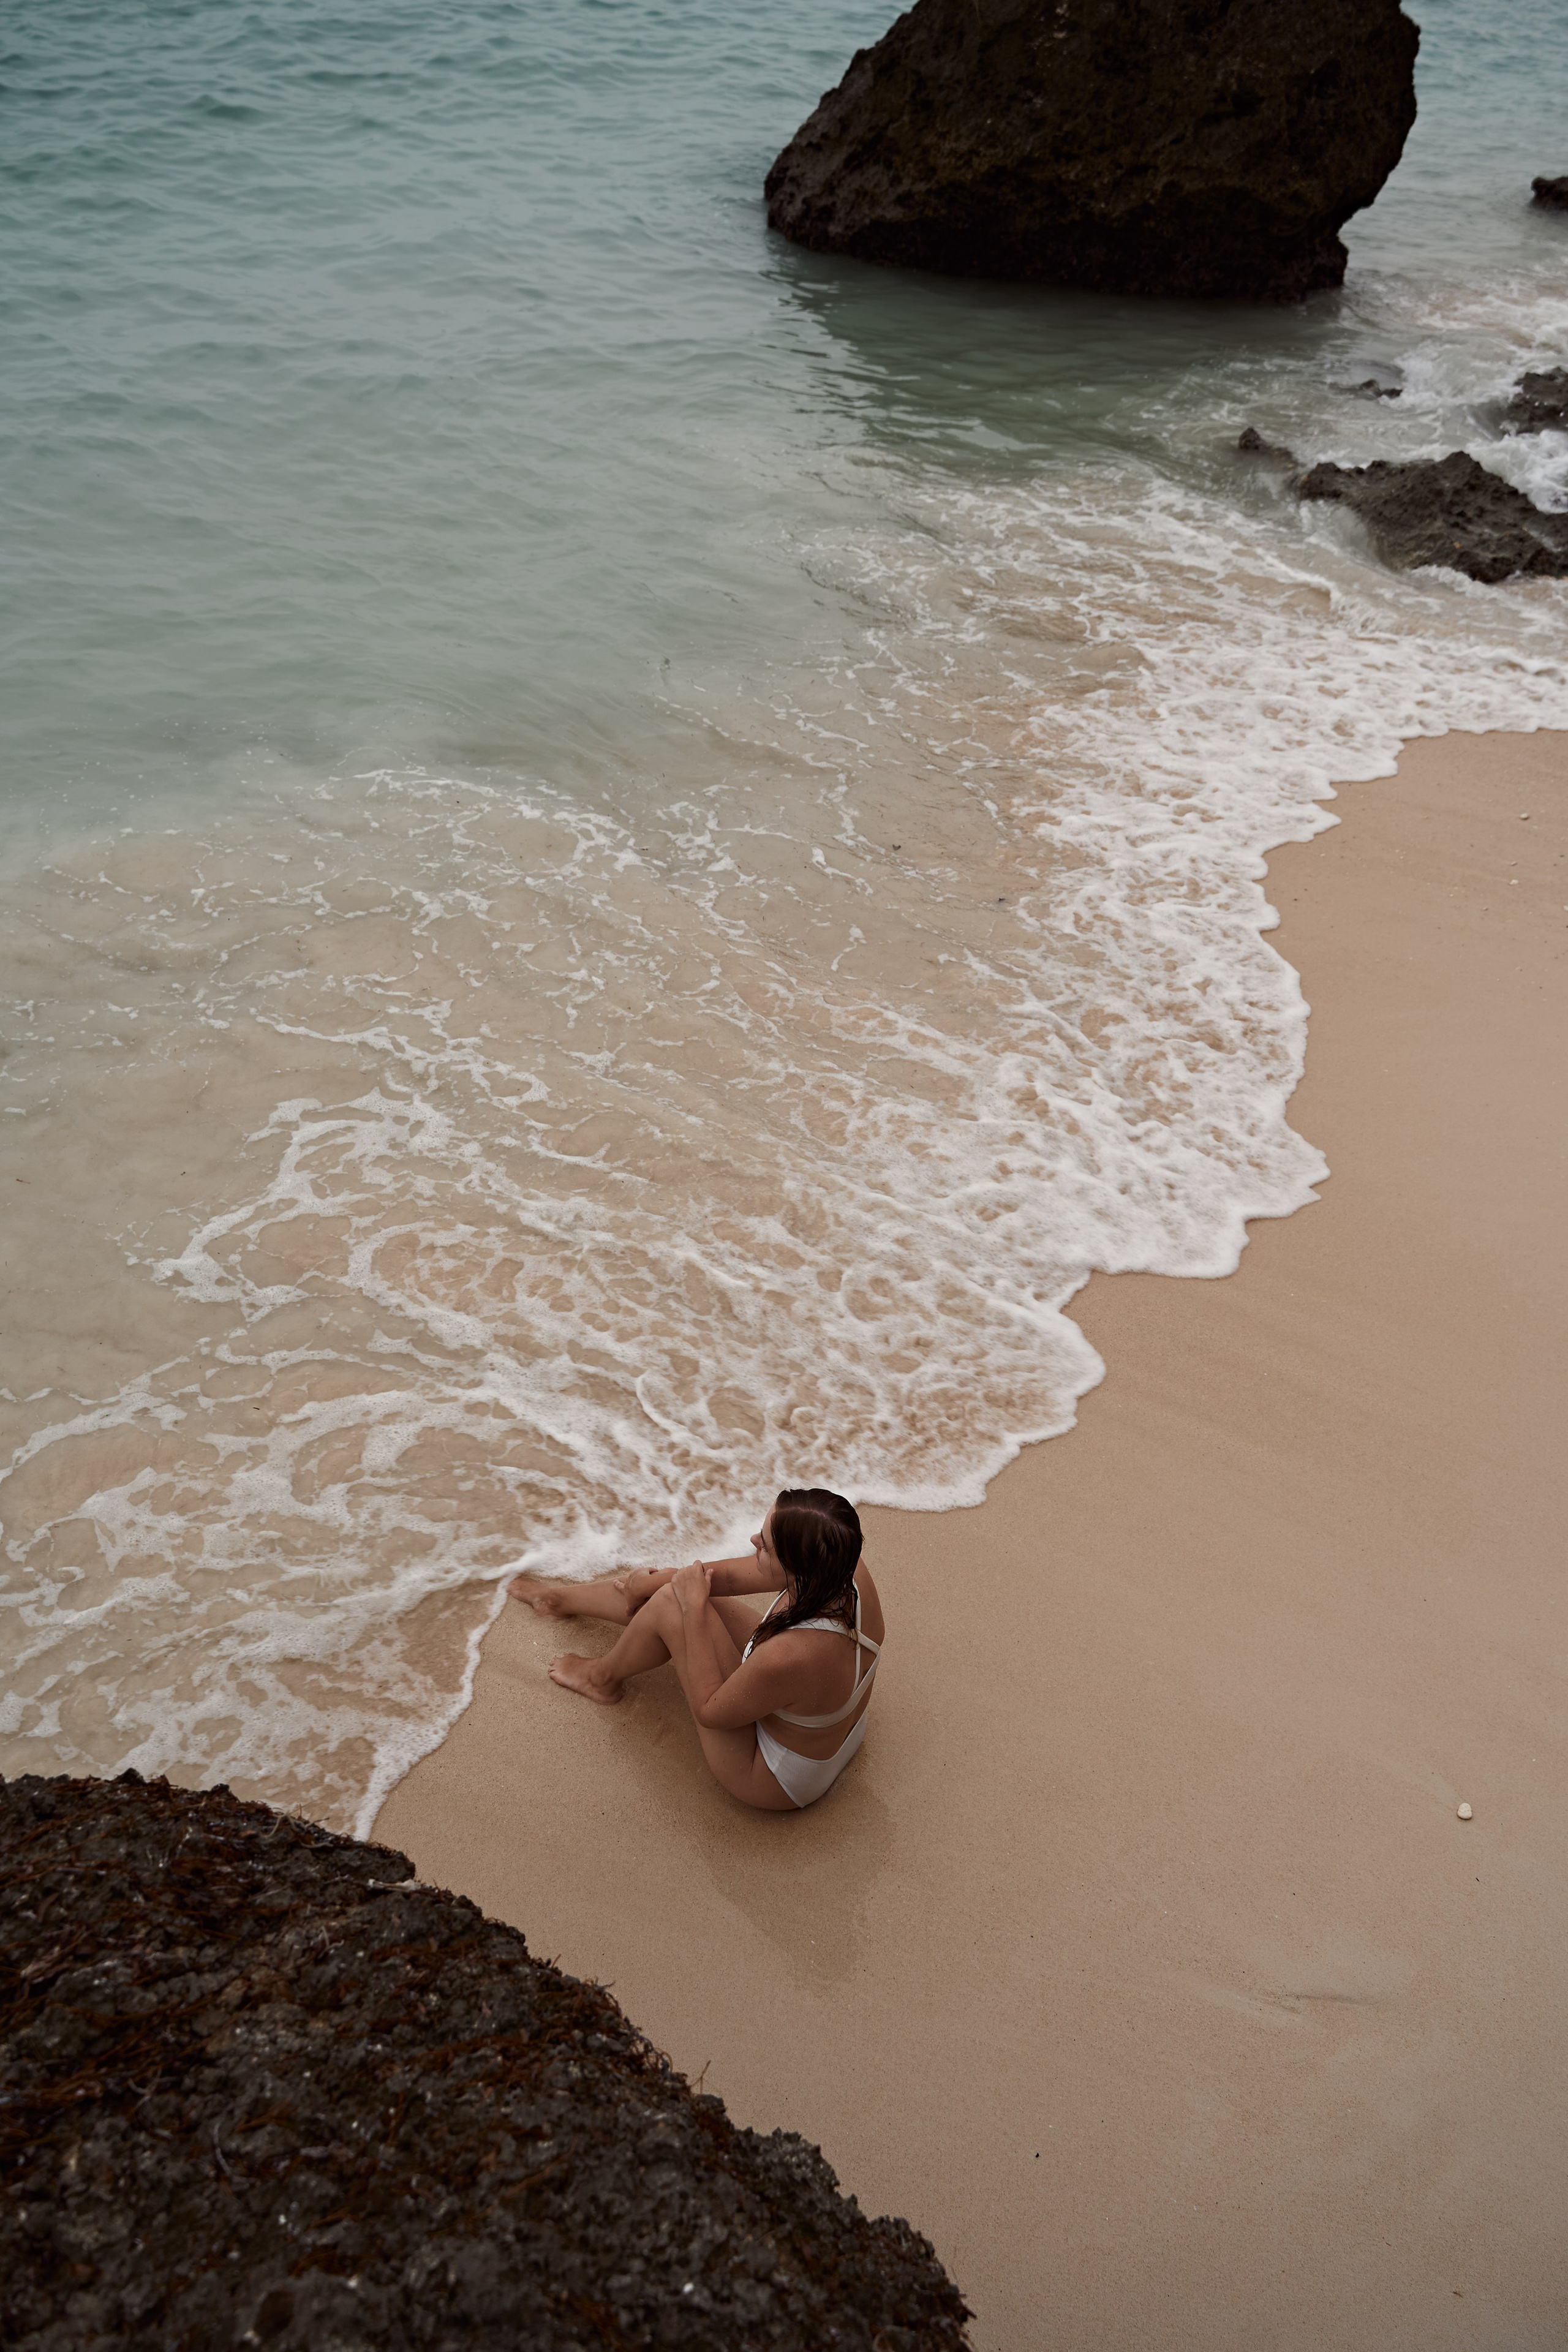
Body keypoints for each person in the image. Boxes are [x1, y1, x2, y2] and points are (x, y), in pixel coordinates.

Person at [508, 1487, 883, 1812]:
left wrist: (689, 1607)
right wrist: (655, 1582)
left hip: (776, 1777)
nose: (754, 1540)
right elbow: (730, 1577)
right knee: (677, 1588)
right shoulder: (841, 1564)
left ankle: (601, 1679)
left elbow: (710, 1711)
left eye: (765, 1545)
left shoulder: (792, 1656)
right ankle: (556, 1600)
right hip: (834, 1733)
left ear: (797, 1571)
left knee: (676, 1603)